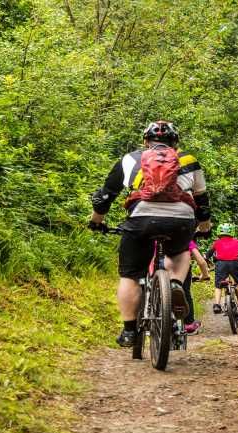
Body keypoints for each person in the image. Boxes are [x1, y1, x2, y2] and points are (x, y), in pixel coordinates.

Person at [88, 121, 211, 347]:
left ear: (146, 141)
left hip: (141, 219)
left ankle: (129, 332)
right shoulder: (189, 161)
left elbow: (105, 196)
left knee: (130, 275)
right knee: (181, 251)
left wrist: (97, 221)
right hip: (181, 220)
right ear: (175, 143)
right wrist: (204, 226)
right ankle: (174, 284)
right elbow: (202, 201)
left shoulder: (130, 159)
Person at [207, 223, 238, 313]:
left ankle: (217, 305)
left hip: (220, 264)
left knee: (218, 285)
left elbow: (208, 254)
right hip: (234, 264)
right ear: (232, 232)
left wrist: (206, 260)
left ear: (219, 232)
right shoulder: (237, 242)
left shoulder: (217, 242)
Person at [181, 239, 212, 334]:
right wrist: (205, 275)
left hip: (158, 269)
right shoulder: (185, 238)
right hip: (181, 268)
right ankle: (189, 323)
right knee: (185, 292)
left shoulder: (154, 237)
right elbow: (201, 262)